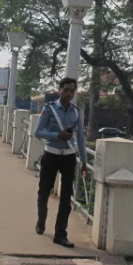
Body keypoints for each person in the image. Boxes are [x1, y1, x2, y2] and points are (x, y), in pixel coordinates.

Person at [34, 77, 88, 248]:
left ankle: (60, 234)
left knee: (66, 197)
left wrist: (84, 162)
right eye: (66, 90)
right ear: (60, 90)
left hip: (69, 157)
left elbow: (80, 138)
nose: (69, 93)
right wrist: (57, 135)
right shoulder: (49, 109)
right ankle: (41, 220)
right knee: (44, 191)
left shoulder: (76, 112)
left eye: (72, 90)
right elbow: (38, 132)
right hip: (51, 155)